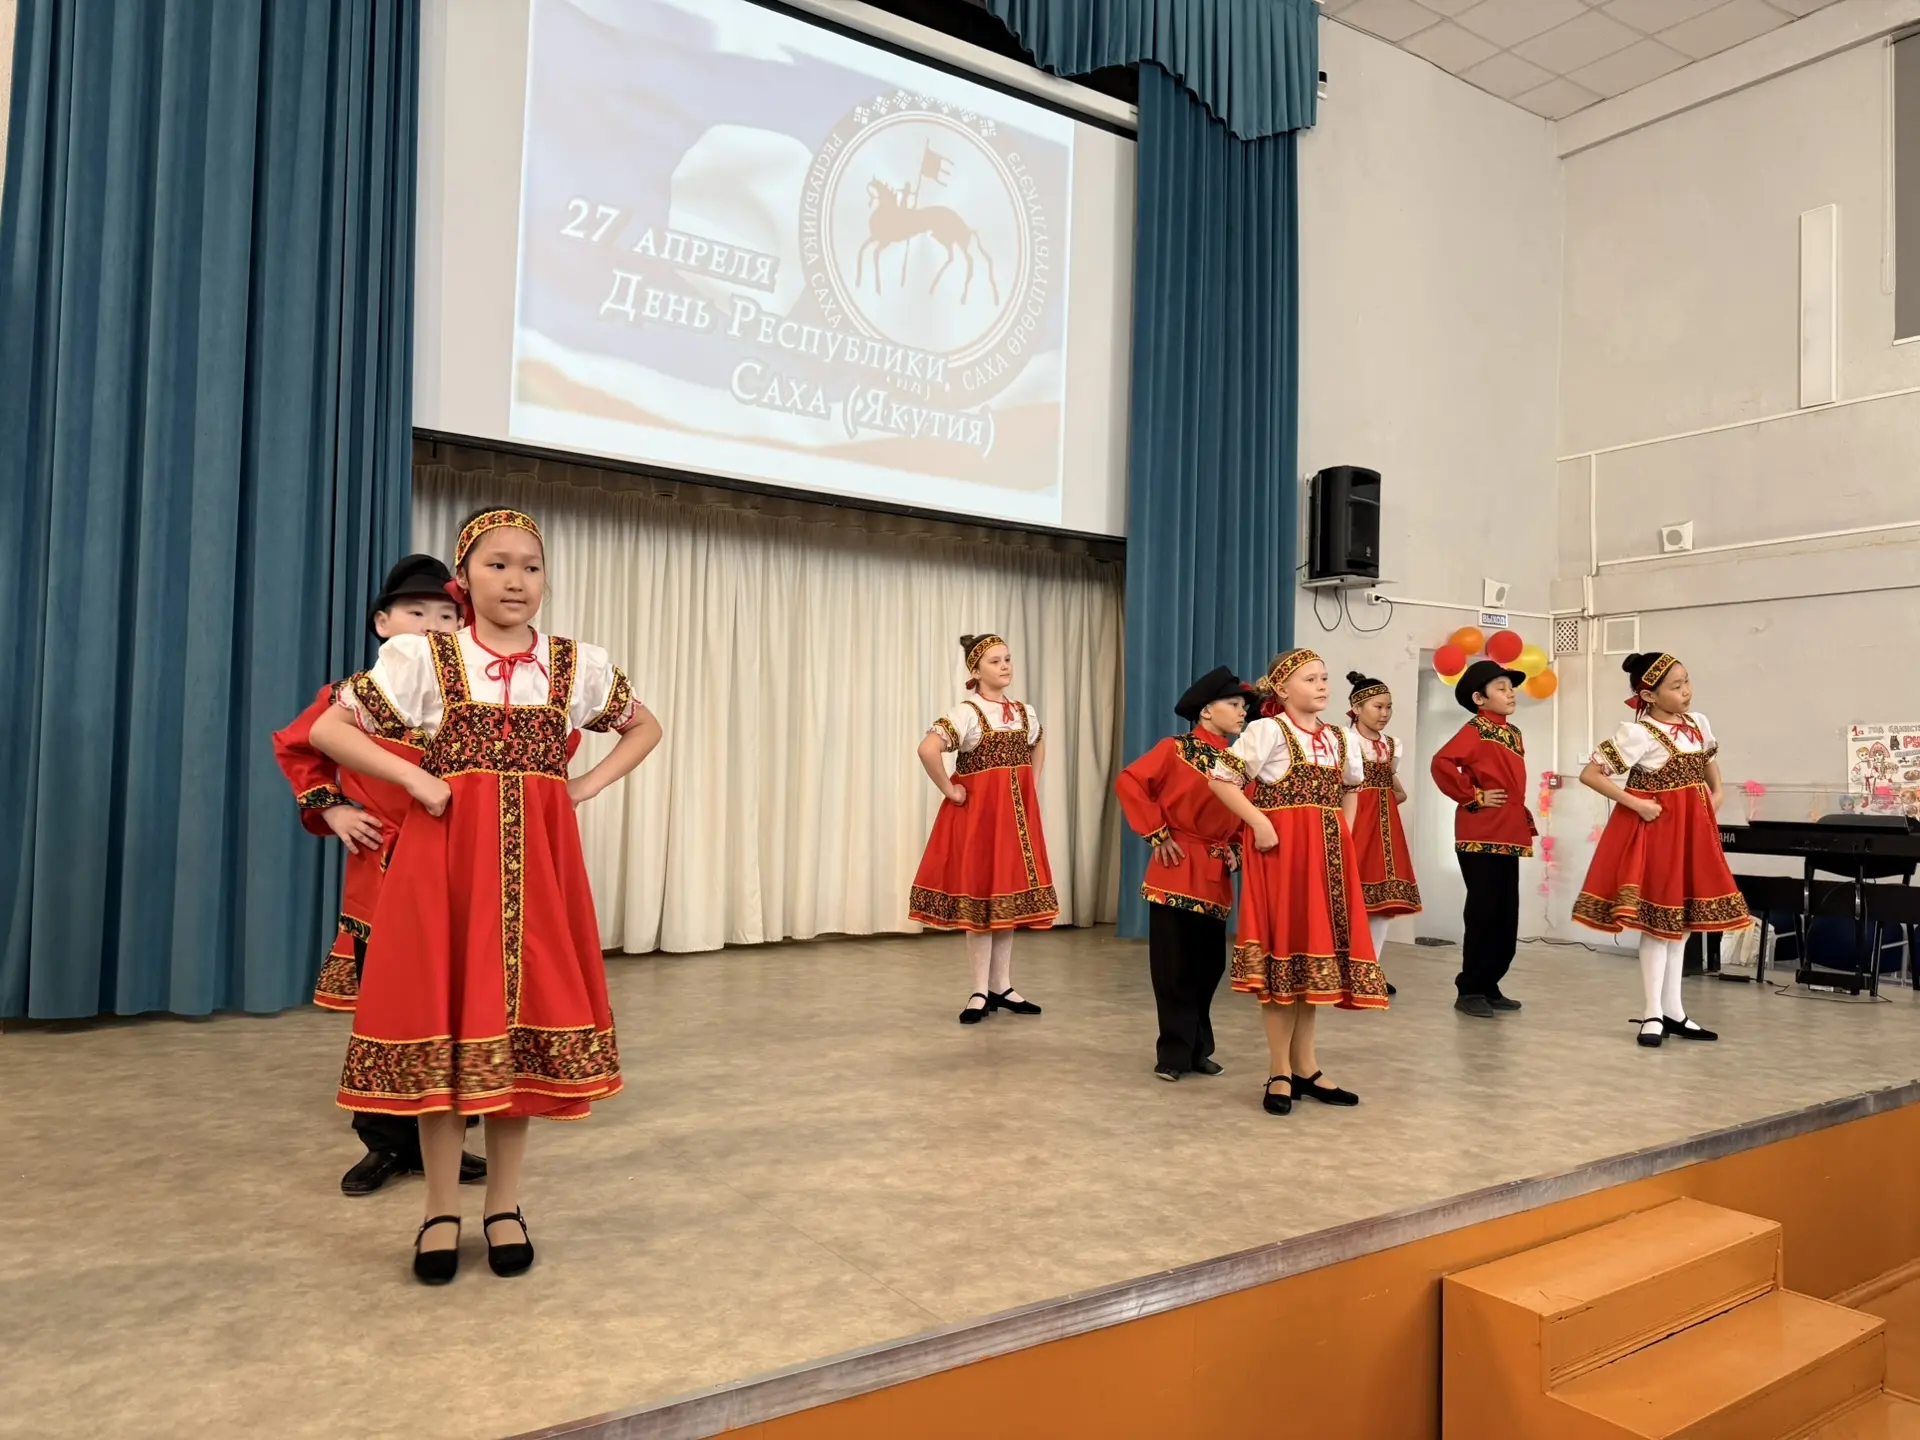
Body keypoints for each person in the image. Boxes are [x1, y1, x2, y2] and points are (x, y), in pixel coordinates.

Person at [311, 507, 663, 1284]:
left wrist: (581, 786)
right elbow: (331, 731)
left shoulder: (572, 665)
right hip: (442, 873)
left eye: (531, 567)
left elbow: (645, 727)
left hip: (539, 877)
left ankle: (504, 1205)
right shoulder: (427, 659)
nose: (516, 580)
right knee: (444, 1033)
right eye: (498, 564)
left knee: (516, 1042)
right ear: (463, 579)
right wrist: (414, 779)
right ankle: (440, 1209)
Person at [272, 554, 489, 1196]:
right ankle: (386, 1143)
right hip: (385, 879)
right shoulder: (351, 696)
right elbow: (298, 745)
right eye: (416, 613)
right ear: (383, 622)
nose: (431, 626)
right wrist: (332, 807)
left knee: (459, 1007)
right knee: (386, 1011)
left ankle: (444, 1139)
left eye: (446, 617)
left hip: (459, 876)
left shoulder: (478, 697)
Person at [1206, 649, 1387, 1117]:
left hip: (1326, 858)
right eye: (1311, 679)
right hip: (1283, 857)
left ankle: (1306, 1066)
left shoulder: (1341, 738)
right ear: (1283, 689)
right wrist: (1259, 823)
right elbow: (1222, 780)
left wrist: (1344, 832)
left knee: (1312, 960)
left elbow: (1351, 789)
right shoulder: (1269, 730)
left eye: (1324, 677)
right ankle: (1279, 1069)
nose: (1322, 685)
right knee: (1284, 959)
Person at [1574, 652, 1748, 1047]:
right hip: (1660, 833)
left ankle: (1674, 1010)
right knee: (1659, 923)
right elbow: (1590, 774)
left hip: (1694, 830)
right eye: (1676, 686)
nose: (1686, 691)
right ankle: (1652, 1012)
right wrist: (1636, 803)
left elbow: (1708, 760)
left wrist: (1717, 792)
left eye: (1687, 681)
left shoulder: (1697, 722)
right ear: (1649, 695)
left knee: (1681, 923)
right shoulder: (1638, 733)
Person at [1114, 666, 1252, 1082]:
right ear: (1206, 711)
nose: (1242, 711)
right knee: (1173, 967)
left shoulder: (1239, 762)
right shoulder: (1175, 749)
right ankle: (1173, 1052)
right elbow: (1130, 782)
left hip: (1214, 872)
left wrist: (1236, 847)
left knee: (1209, 967)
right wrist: (1156, 831)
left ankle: (1197, 1049)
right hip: (1175, 867)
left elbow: (1245, 814)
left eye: (1244, 705)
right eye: (1234, 704)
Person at [910, 633, 1056, 1023]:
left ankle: (1001, 985)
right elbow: (927, 749)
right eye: (994, 661)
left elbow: (1038, 743)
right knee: (980, 897)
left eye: (1007, 659)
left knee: (1005, 897)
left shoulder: (1024, 711)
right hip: (981, 821)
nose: (1004, 666)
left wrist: (1031, 784)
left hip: (1015, 821)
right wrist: (950, 790)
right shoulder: (968, 712)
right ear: (975, 671)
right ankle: (979, 989)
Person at [1429, 659, 1536, 1020]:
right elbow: (1441, 763)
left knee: (1506, 913)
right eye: (1501, 688)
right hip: (1480, 831)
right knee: (1484, 912)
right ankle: (1470, 988)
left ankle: (1490, 983)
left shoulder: (1513, 732)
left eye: (1511, 687)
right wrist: (1473, 795)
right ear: (1479, 698)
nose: (1511, 693)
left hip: (1508, 831)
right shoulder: (1474, 730)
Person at [1345, 672, 1419, 997]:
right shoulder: (1343, 741)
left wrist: (1384, 802)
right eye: (1378, 706)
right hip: (1354, 825)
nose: (1385, 713)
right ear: (1356, 707)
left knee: (1382, 904)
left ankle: (1370, 968)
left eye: (1389, 707)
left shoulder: (1391, 745)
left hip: (1385, 830)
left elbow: (1394, 788)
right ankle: (1344, 967)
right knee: (1349, 898)